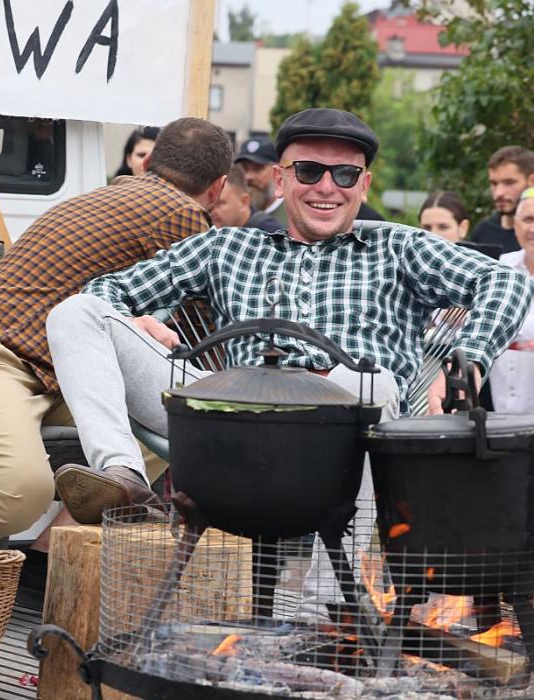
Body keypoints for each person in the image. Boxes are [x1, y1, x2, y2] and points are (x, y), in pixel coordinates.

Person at [47, 108, 531, 532]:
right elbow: (105, 292)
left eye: (345, 174)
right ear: (280, 181)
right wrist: (135, 320)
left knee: (372, 381)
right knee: (74, 313)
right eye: (309, 170)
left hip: (344, 430)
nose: (327, 187)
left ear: (363, 185)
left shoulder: (398, 246)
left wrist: (465, 363)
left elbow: (507, 283)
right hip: (230, 420)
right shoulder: (228, 245)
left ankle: (327, 597)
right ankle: (124, 477)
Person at [0, 117, 233, 591]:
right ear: (219, 187)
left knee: (164, 428)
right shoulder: (181, 215)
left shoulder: (105, 195)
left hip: (42, 374)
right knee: (22, 489)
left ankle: (46, 559)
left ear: (148, 160)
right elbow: (210, 336)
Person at [487, 188, 534, 412]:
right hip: (501, 408)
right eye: (528, 220)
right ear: (515, 226)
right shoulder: (498, 268)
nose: (533, 229)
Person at [469, 146, 534, 255]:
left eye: (509, 183)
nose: (499, 193)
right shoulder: (484, 232)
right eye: (494, 184)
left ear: (532, 181)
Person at [210, 164, 281, 233]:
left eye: (220, 203)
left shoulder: (269, 233)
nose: (212, 211)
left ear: (244, 201)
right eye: (210, 203)